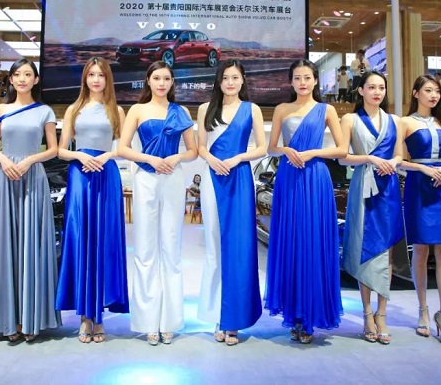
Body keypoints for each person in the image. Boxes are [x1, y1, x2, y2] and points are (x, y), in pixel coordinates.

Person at [0, 58, 62, 343]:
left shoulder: (44, 111)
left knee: (31, 244)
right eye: (17, 74)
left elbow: (53, 149)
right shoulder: (1, 109)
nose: (22, 79)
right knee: (7, 244)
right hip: (6, 176)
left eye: (28, 74)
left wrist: (29, 161)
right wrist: (4, 161)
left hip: (32, 176)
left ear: (36, 80)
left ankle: (31, 318)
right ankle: (7, 319)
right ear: (11, 79)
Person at [264, 59, 347, 344]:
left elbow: (342, 149)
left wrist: (313, 153)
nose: (302, 82)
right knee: (292, 241)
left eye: (307, 77)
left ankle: (310, 317)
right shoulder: (282, 109)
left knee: (313, 242)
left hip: (315, 178)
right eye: (297, 78)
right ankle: (295, 314)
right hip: (289, 178)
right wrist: (286, 149)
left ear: (315, 81)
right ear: (291, 81)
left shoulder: (327, 110)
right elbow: (271, 148)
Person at [117, 61, 198, 346]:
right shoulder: (137, 110)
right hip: (145, 178)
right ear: (148, 81)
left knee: (171, 247)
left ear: (172, 82)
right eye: (157, 78)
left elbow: (193, 150)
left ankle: (170, 321)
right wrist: (149, 159)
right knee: (145, 248)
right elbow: (123, 148)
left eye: (166, 78)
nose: (162, 83)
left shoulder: (181, 111)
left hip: (173, 177)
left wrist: (176, 158)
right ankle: (148, 321)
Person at [55, 57, 129, 344]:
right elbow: (61, 150)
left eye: (101, 75)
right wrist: (80, 155)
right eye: (91, 75)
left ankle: (98, 317)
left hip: (106, 175)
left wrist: (106, 156)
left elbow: (123, 148)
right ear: (84, 78)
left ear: (107, 79)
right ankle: (84, 317)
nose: (96, 79)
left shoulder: (116, 110)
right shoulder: (74, 109)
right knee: (81, 240)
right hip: (80, 176)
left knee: (104, 242)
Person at [196, 59, 267, 346]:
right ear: (219, 80)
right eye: (225, 77)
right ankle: (218, 315)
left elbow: (262, 147)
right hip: (213, 179)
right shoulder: (205, 108)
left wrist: (238, 158)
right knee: (214, 247)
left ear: (242, 80)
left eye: (235, 77)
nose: (230, 82)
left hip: (240, 179)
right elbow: (201, 146)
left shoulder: (252, 109)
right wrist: (211, 159)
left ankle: (234, 319)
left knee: (239, 247)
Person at [339, 71, 404, 345]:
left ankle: (382, 314)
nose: (377, 92)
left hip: (388, 186)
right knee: (364, 248)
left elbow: (399, 154)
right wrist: (370, 158)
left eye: (381, 87)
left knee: (385, 249)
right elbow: (342, 157)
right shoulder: (350, 120)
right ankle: (367, 313)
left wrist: (393, 162)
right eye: (372, 87)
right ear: (361, 90)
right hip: (363, 186)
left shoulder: (395, 120)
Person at [400, 74, 441, 346]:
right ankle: (423, 309)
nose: (433, 95)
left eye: (436, 91)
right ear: (416, 93)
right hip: (419, 186)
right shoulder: (405, 122)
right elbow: (398, 160)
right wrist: (423, 168)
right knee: (421, 249)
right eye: (428, 90)